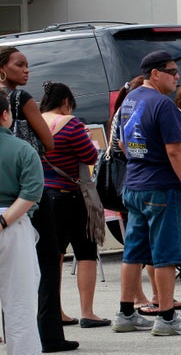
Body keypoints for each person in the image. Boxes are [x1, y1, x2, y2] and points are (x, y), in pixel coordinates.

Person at [112, 50, 181, 336]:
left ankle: (126, 313)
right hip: (161, 186)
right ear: (155, 73)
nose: (177, 77)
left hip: (134, 184)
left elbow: (123, 144)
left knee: (133, 252)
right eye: (172, 71)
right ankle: (167, 317)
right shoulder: (164, 106)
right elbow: (175, 150)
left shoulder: (130, 100)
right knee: (165, 253)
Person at [0, 46, 79, 353]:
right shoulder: (21, 99)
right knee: (47, 258)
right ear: (3, 69)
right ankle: (49, 332)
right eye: (20, 65)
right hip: (28, 183)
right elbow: (49, 140)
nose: (27, 70)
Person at [39, 82, 108, 329]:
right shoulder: (71, 124)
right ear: (66, 102)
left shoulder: (35, 123)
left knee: (53, 256)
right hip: (71, 196)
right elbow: (90, 156)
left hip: (45, 196)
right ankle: (88, 312)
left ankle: (55, 310)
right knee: (86, 252)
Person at [0, 90, 44, 354]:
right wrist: (4, 221)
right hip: (13, 225)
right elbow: (30, 192)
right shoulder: (23, 149)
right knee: (20, 305)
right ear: (6, 115)